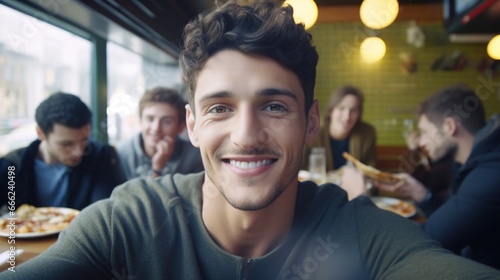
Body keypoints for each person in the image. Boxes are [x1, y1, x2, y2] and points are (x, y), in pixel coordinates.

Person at [4, 2, 499, 279]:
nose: (246, 135)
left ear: (310, 123)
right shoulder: (131, 221)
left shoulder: (360, 232)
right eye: (219, 108)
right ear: (192, 125)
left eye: (274, 106)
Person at [348, 85, 500, 269]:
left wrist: (360, 199)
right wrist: (422, 194)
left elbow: (425, 240)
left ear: (450, 127)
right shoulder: (467, 162)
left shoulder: (490, 173)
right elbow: (454, 222)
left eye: (425, 132)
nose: (420, 141)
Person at [0, 93, 123, 210]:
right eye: (67, 144)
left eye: (84, 140)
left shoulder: (99, 156)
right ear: (40, 133)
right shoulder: (11, 166)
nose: (78, 152)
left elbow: (102, 211)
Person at [116, 87, 203, 180]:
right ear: (141, 121)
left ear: (181, 127)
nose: (156, 128)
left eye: (167, 121)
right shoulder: (122, 154)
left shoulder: (195, 156)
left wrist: (158, 168)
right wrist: (157, 169)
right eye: (150, 119)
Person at [302, 86, 376, 171]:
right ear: (331, 110)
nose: (347, 117)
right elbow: (301, 169)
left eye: (353, 110)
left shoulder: (367, 133)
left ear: (359, 113)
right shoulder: (312, 131)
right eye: (341, 108)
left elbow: (370, 169)